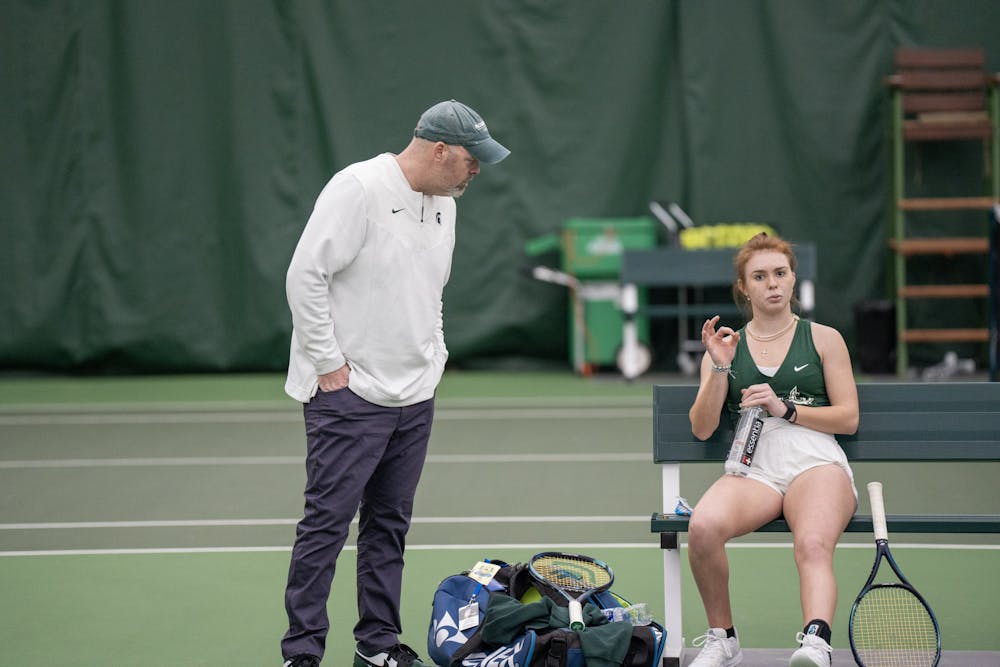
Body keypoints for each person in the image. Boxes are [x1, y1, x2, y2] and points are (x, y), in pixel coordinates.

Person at [280, 100, 510, 667]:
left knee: (389, 527)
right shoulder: (357, 187)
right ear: (439, 151)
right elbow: (304, 275)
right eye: (470, 160)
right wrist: (331, 367)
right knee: (327, 527)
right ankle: (302, 654)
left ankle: (376, 646)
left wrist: (434, 359)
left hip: (415, 398)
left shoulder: (447, 205)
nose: (476, 170)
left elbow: (431, 292)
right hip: (348, 397)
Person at [685, 233, 859, 667]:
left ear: (793, 278)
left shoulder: (824, 338)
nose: (773, 284)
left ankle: (816, 643)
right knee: (702, 528)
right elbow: (703, 428)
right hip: (754, 471)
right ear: (744, 287)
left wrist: (788, 409)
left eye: (780, 273)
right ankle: (723, 639)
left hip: (816, 463)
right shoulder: (725, 347)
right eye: (759, 277)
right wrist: (720, 366)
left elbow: (848, 418)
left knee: (813, 543)